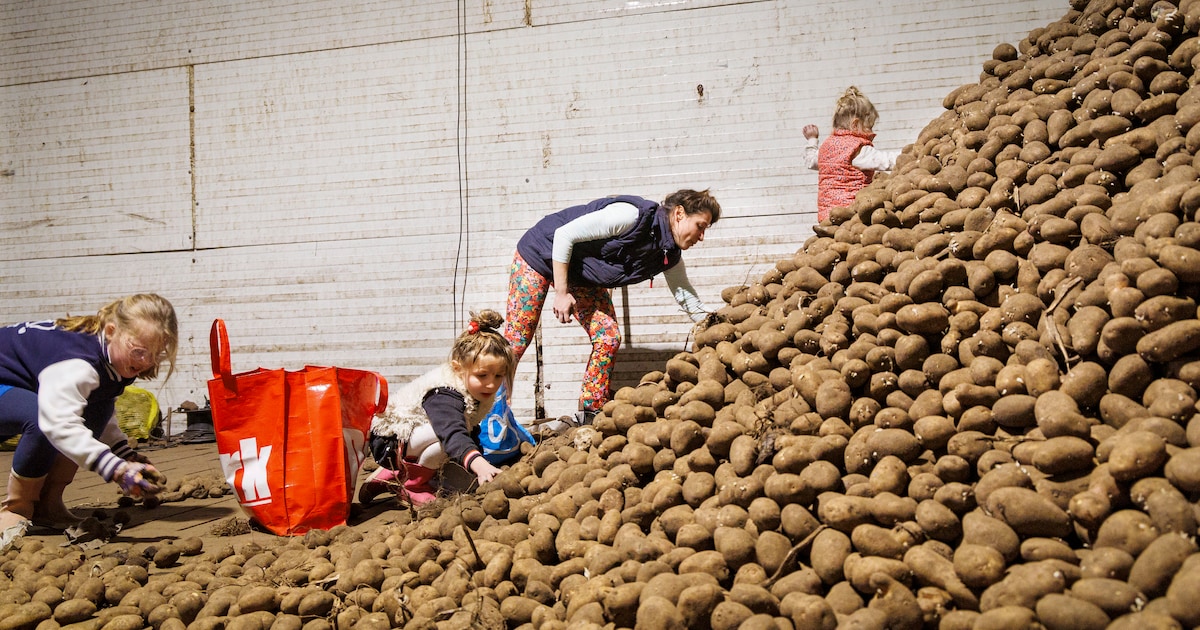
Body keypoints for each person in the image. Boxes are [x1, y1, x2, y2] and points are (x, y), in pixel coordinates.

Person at [503, 189, 720, 425]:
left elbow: (685, 296)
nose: (701, 237)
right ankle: (493, 415)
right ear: (679, 213)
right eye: (701, 226)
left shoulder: (667, 253)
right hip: (540, 253)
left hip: (581, 274)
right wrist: (562, 292)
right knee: (515, 344)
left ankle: (590, 414)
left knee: (608, 337)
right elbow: (564, 235)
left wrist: (715, 324)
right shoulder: (631, 216)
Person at [0, 294, 178, 549]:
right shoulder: (77, 363)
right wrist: (114, 468)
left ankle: (48, 503)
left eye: (155, 354)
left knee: (92, 413)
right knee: (40, 420)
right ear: (111, 331)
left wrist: (123, 453)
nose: (145, 362)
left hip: (17, 382)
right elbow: (57, 423)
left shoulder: (116, 357)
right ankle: (17, 507)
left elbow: (96, 405)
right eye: (139, 351)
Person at [360, 309, 516, 506]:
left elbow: (469, 426)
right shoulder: (444, 393)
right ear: (458, 368)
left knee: (455, 439)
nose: (491, 384)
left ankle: (394, 472)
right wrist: (478, 464)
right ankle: (413, 485)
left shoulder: (473, 391)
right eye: (482, 375)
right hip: (389, 441)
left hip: (407, 440)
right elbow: (452, 432)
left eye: (498, 376)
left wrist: (478, 462)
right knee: (444, 438)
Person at [802, 86, 900, 222]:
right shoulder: (856, 149)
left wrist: (812, 140)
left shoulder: (826, 146)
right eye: (869, 126)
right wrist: (909, 155)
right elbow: (884, 161)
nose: (871, 131)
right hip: (852, 216)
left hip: (827, 217)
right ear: (855, 125)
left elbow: (811, 161)